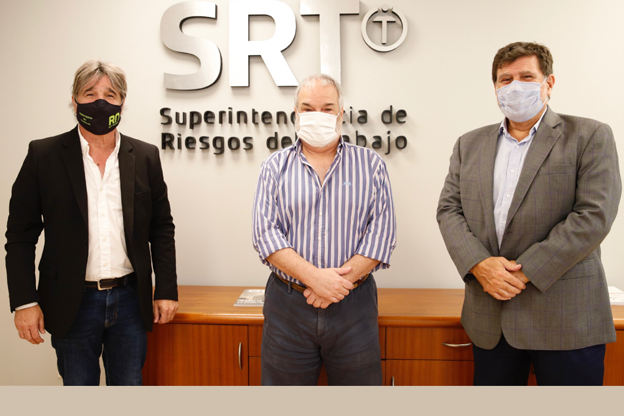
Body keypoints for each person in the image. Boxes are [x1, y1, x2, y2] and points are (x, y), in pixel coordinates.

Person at [437, 42, 621, 385]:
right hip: (491, 317)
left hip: (565, 317)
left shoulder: (589, 135)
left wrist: (522, 273)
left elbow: (594, 216)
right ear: (495, 87)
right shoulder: (469, 144)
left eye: (526, 77)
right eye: (505, 79)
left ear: (549, 83)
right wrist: (480, 265)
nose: (514, 86)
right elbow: (449, 210)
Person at [5, 60, 178, 386]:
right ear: (74, 101)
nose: (100, 102)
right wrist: (25, 302)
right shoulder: (44, 155)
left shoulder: (145, 156)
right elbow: (20, 236)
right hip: (72, 301)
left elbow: (161, 228)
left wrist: (166, 289)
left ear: (122, 103)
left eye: (110, 95)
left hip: (130, 300)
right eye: (90, 94)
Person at [251, 74, 396, 385]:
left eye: (327, 108)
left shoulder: (371, 165)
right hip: (288, 306)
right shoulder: (274, 167)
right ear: (296, 113)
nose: (317, 115)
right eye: (308, 108)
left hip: (353, 306)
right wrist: (315, 278)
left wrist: (337, 284)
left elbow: (382, 234)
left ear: (341, 113)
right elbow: (265, 234)